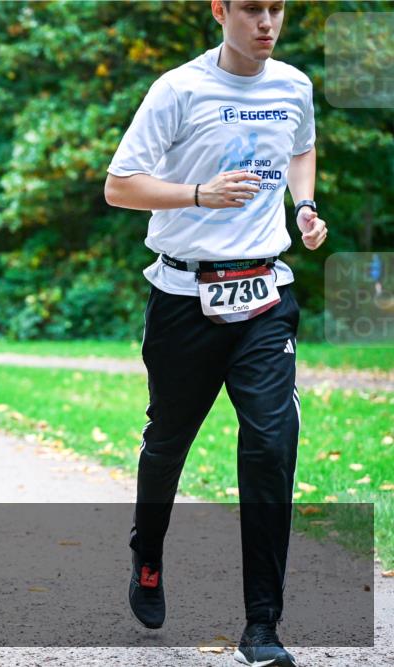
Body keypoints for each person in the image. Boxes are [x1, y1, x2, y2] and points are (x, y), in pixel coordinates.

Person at [103, 2, 327, 665]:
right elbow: (119, 186)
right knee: (168, 439)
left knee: (270, 441)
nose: (267, 22)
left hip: (266, 291)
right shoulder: (178, 89)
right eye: (252, 8)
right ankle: (148, 553)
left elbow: (302, 146)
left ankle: (262, 626)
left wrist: (305, 205)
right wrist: (198, 194)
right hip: (183, 296)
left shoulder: (293, 85)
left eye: (277, 8)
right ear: (220, 10)